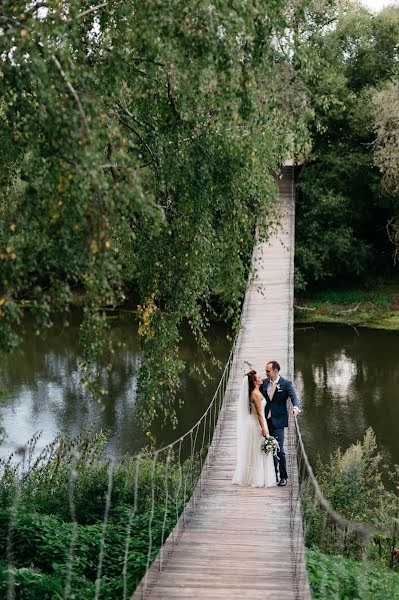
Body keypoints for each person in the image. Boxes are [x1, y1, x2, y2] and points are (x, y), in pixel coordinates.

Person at [232, 370, 276, 488]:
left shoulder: (256, 391)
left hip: (257, 423)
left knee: (256, 450)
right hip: (257, 424)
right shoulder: (255, 394)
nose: (261, 378)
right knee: (258, 451)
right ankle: (257, 478)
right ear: (255, 381)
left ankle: (254, 476)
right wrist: (263, 429)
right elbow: (259, 414)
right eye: (259, 377)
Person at [261, 360, 301, 487]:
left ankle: (283, 477)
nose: (266, 373)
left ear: (275, 371)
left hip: (278, 422)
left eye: (268, 371)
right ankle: (272, 474)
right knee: (266, 448)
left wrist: (295, 408)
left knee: (279, 450)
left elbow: (295, 398)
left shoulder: (286, 384)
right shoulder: (264, 382)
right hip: (264, 421)